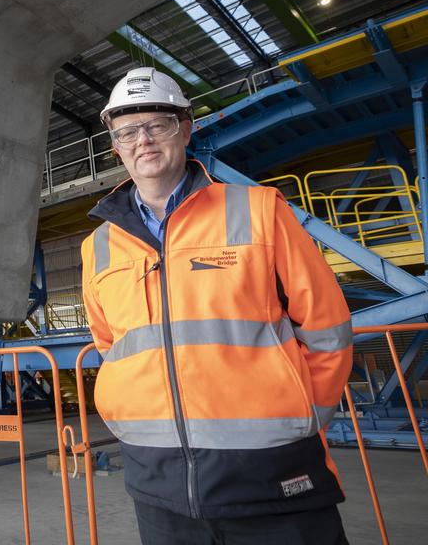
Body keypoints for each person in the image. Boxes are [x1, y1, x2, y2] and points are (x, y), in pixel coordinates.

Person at [80, 67, 353, 544]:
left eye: (157, 125)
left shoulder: (260, 209)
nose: (142, 140)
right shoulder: (98, 246)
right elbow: (110, 345)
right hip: (156, 481)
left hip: (271, 474)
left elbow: (325, 324)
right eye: (127, 132)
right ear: (116, 146)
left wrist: (307, 413)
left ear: (185, 128)